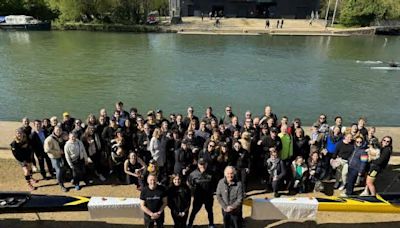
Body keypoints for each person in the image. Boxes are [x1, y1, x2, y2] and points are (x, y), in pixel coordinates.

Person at [187, 158, 215, 228]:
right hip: (198, 197)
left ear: (207, 164)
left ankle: (211, 224)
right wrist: (193, 191)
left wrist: (212, 191)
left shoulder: (212, 173)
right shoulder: (193, 174)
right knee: (194, 211)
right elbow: (189, 184)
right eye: (201, 164)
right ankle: (190, 224)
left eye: (204, 164)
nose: (202, 166)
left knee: (210, 211)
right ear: (198, 164)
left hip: (208, 197)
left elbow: (215, 184)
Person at [44, 125, 68, 192]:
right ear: (54, 130)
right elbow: (46, 150)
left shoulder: (62, 136)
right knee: (58, 170)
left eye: (60, 130)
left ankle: (62, 178)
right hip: (54, 157)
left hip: (62, 156)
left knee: (63, 167)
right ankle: (61, 185)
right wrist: (58, 152)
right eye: (57, 130)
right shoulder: (49, 139)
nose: (59, 131)